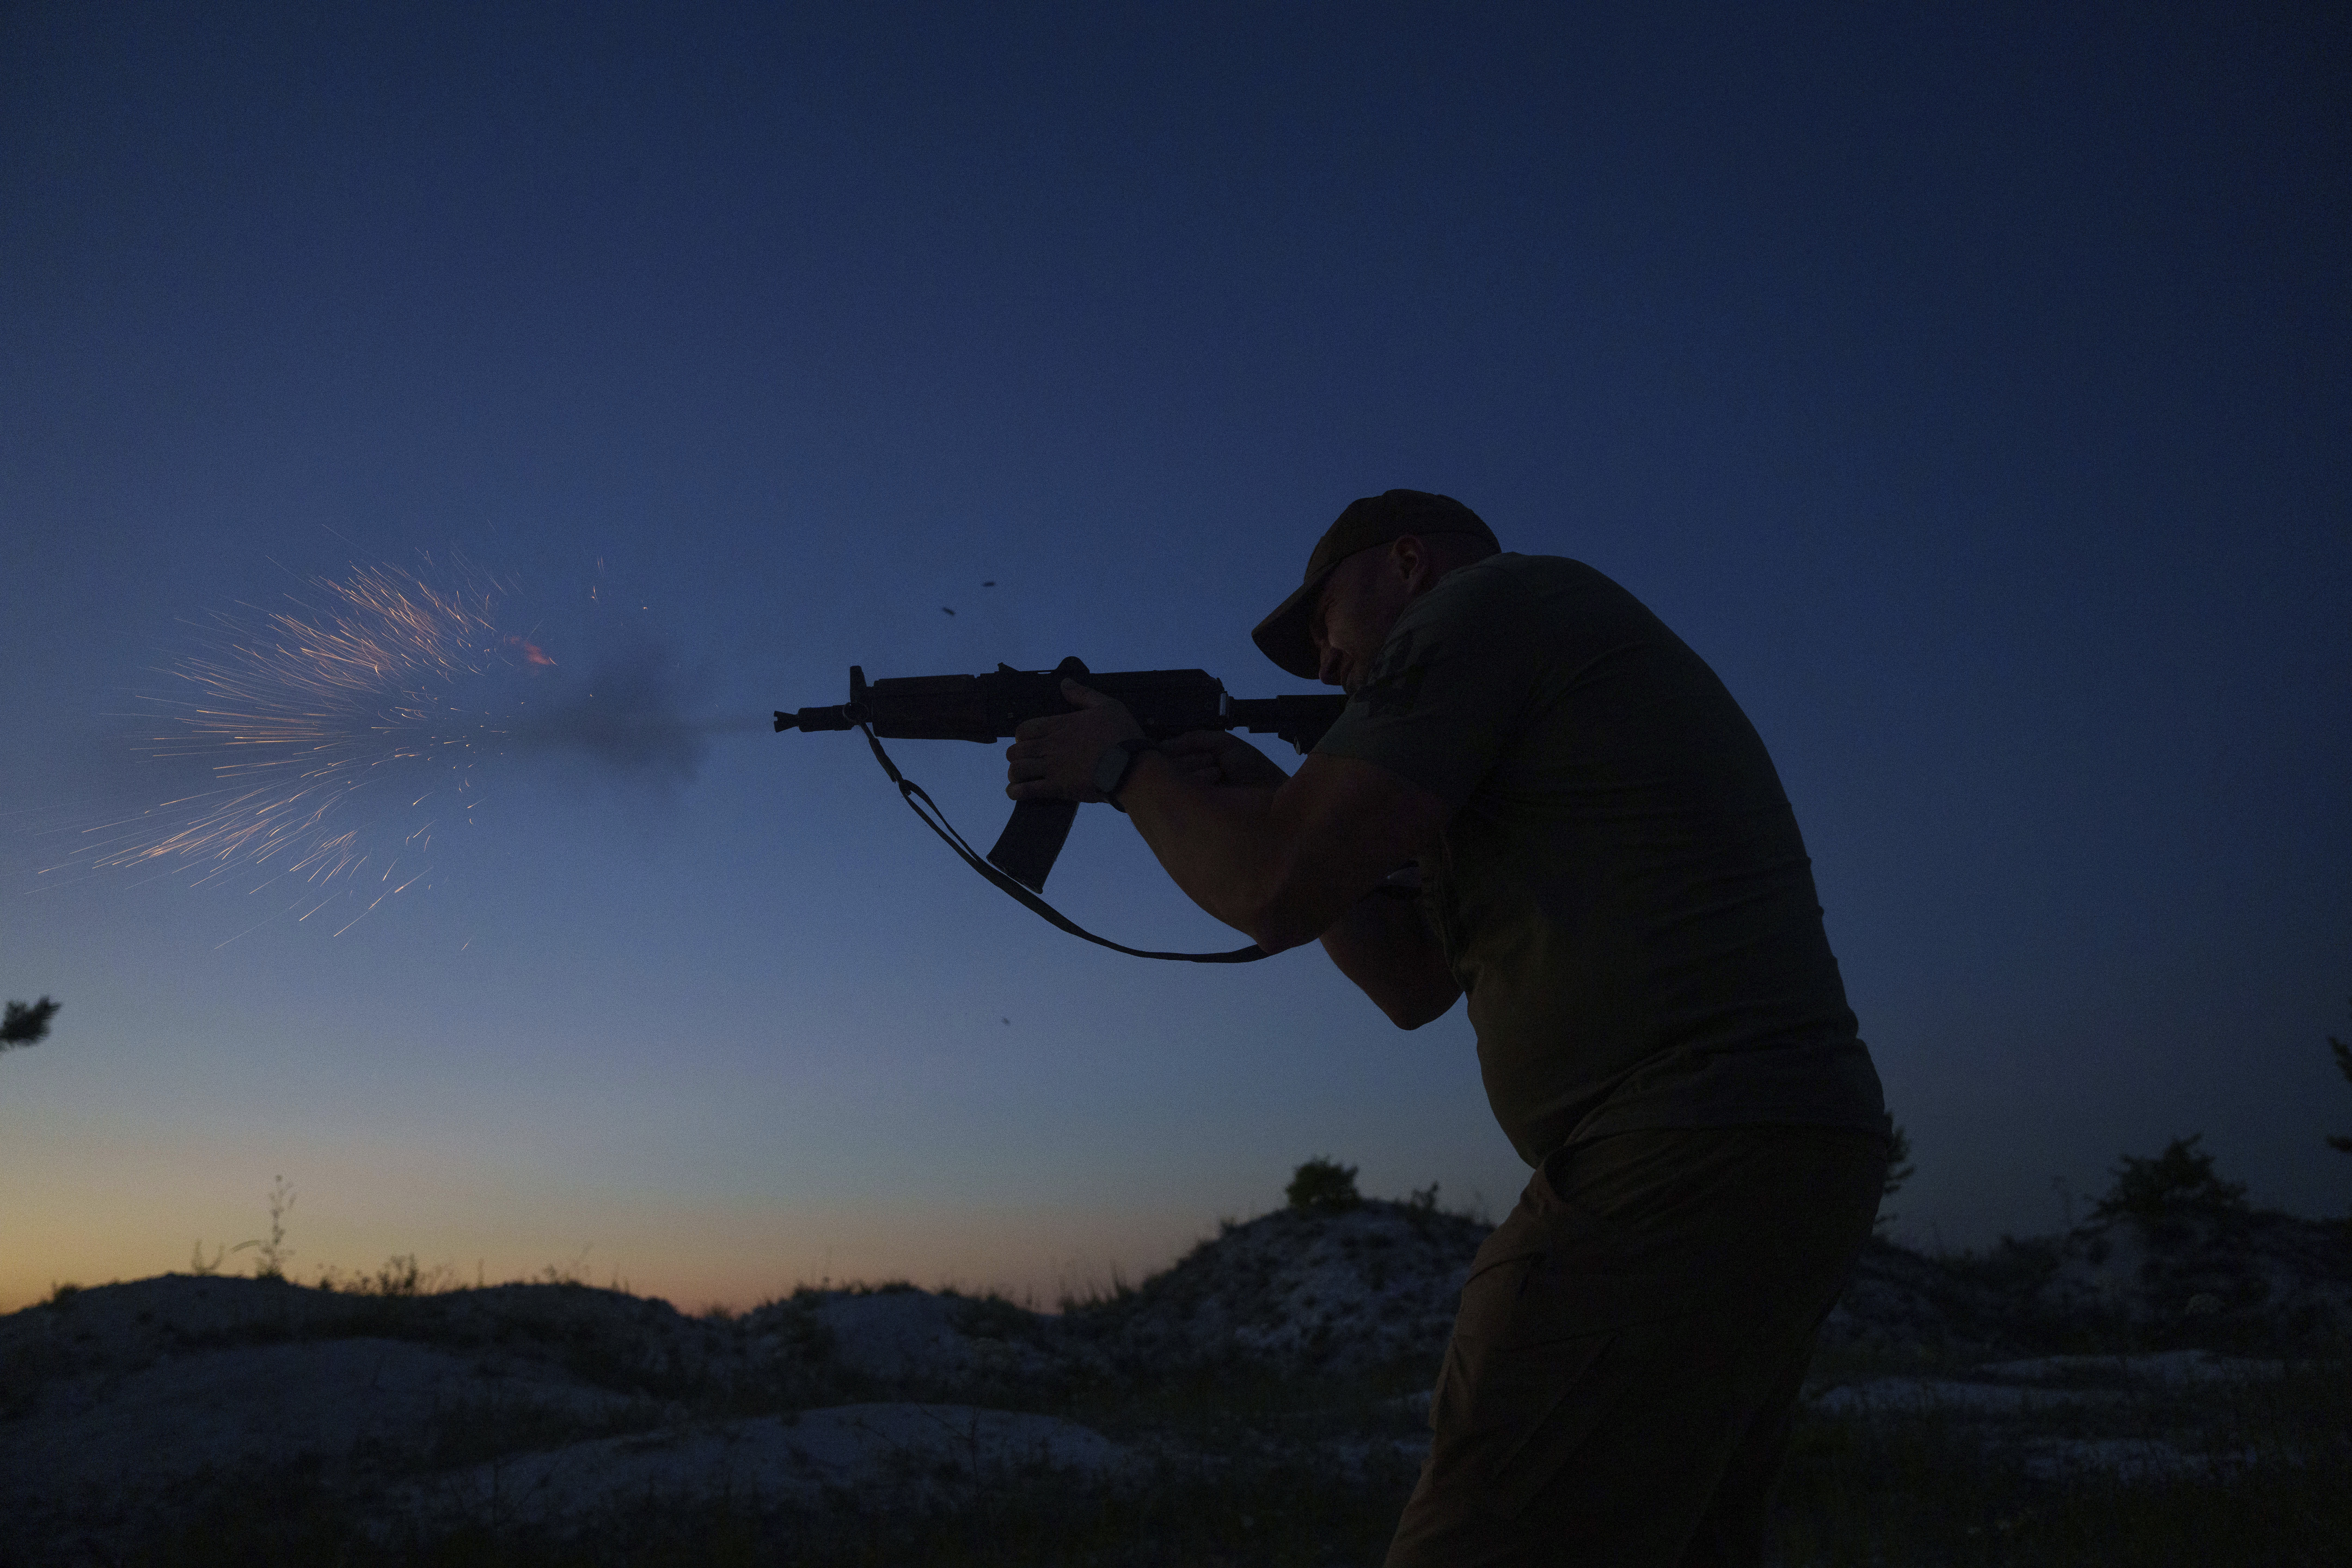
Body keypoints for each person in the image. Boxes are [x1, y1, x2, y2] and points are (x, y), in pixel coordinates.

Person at [1005, 489, 1889, 1567]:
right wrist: (1274, 798)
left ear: (1411, 564)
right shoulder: (1530, 681)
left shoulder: (1487, 609)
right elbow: (1411, 984)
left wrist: (1125, 768)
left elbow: (1274, 888)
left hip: (1679, 1147)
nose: (1326, 665)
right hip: (1752, 1143)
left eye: (1325, 624)